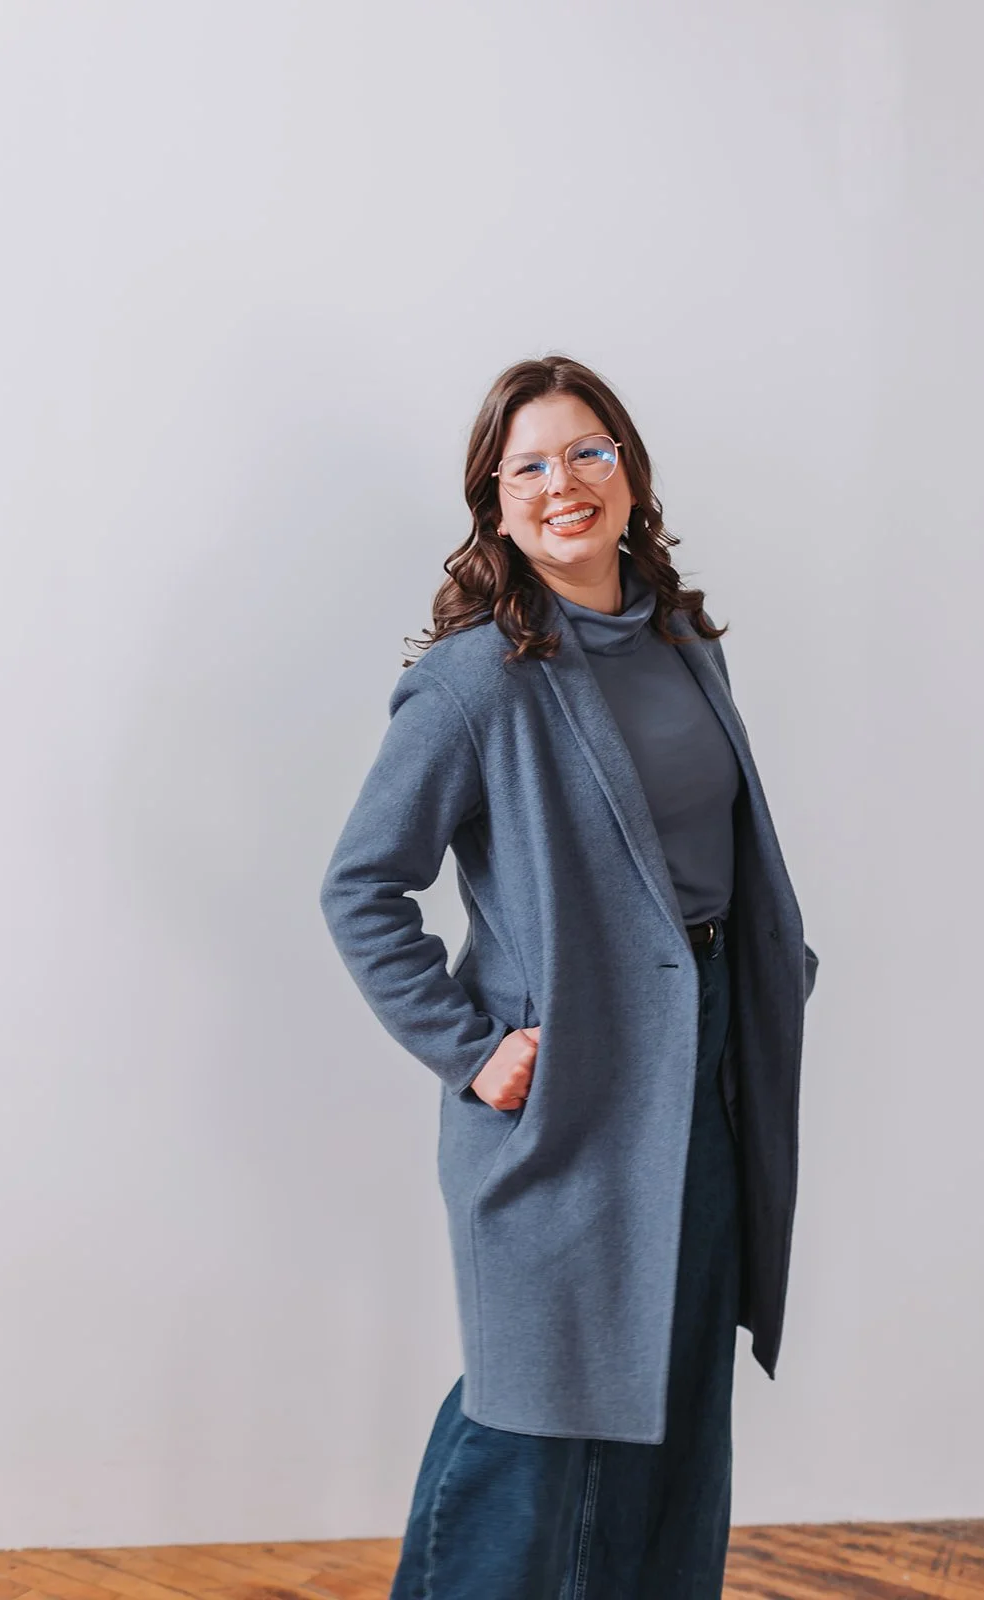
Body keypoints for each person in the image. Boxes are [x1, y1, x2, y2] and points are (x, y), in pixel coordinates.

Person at [319, 353, 819, 1599]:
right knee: (536, 1409)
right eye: (529, 465)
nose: (564, 483)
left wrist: (769, 971)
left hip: (706, 1057)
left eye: (588, 452)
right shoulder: (473, 680)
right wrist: (470, 1048)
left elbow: (712, 849)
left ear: (629, 473)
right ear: (495, 505)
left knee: (675, 1392)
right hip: (568, 1079)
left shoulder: (679, 637)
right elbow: (361, 885)